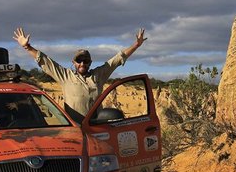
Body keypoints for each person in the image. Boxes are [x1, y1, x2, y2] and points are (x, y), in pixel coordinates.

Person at [13, 27, 146, 123]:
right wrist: (27, 47)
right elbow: (45, 61)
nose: (82, 63)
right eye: (79, 60)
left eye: (86, 61)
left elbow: (117, 59)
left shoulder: (98, 75)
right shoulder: (65, 76)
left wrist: (136, 45)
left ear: (90, 62)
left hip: (97, 127)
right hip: (75, 128)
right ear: (74, 62)